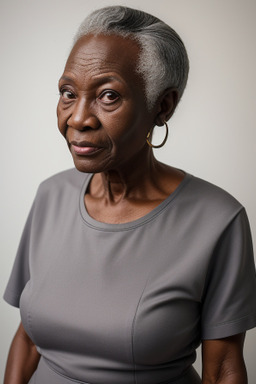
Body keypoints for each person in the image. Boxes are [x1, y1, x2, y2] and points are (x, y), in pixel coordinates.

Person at [3, 5, 256, 384]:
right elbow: (29, 338)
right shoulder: (50, 196)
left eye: (108, 96)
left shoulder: (218, 220)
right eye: (68, 93)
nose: (77, 118)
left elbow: (222, 368)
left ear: (162, 106)